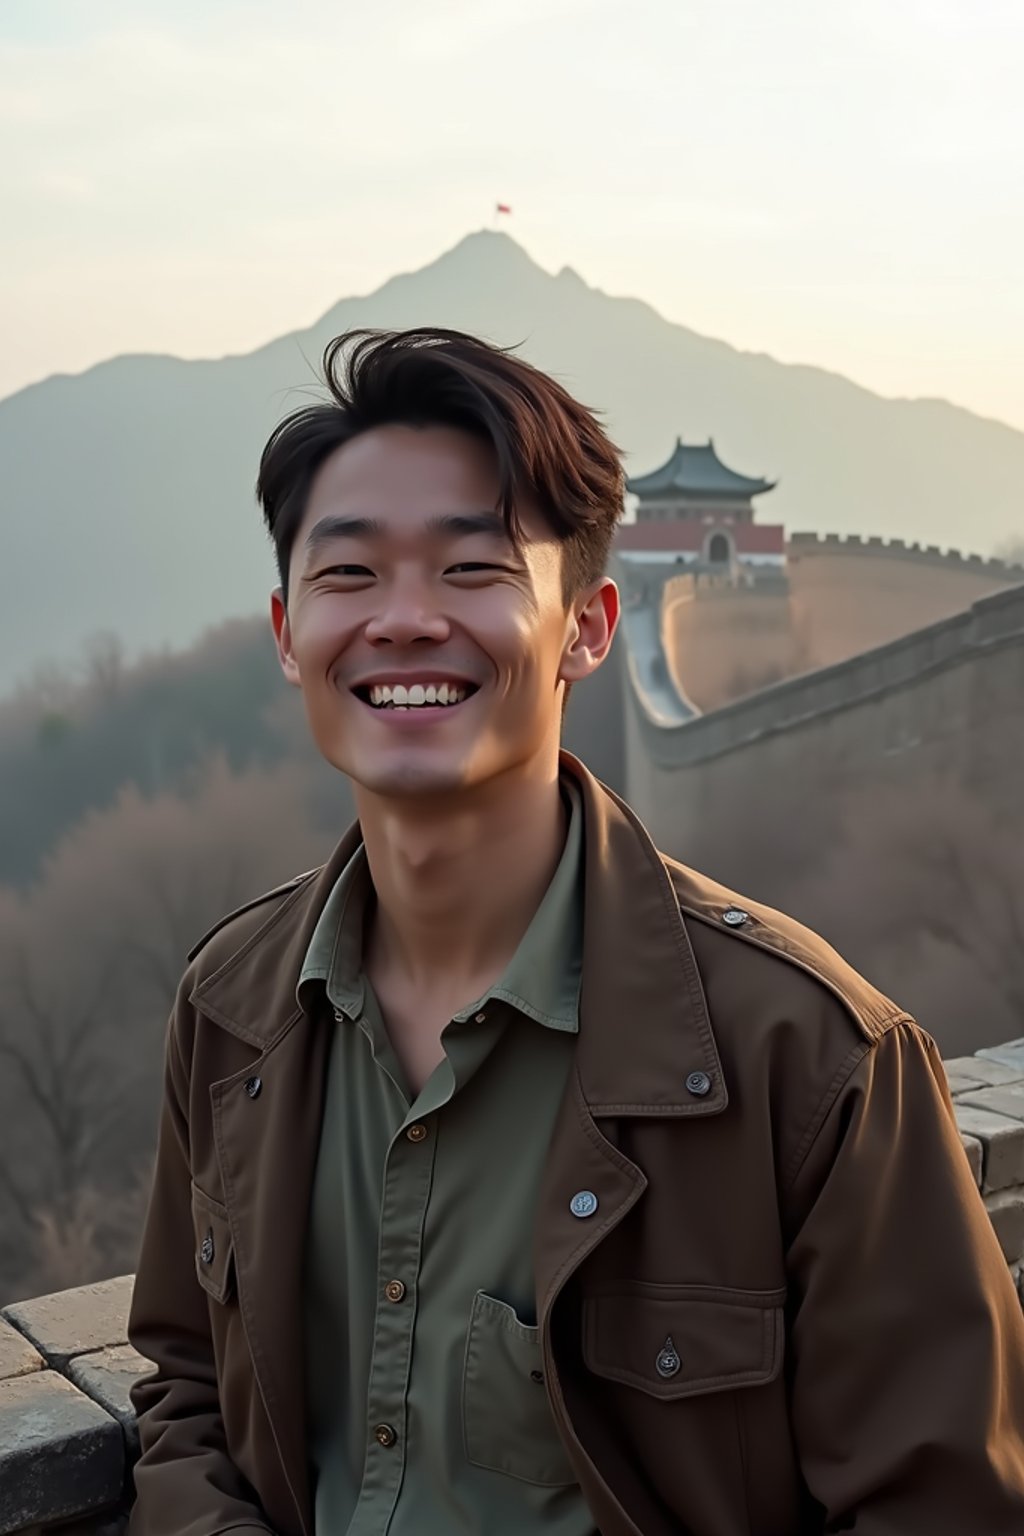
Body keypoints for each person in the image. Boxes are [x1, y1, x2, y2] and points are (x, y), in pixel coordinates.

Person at [127, 328, 1024, 1536]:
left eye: (472, 569)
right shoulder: (231, 1007)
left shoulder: (813, 1065)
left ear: (589, 628)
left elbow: (941, 1506)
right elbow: (184, 1382)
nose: (402, 620)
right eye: (348, 575)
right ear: (288, 635)